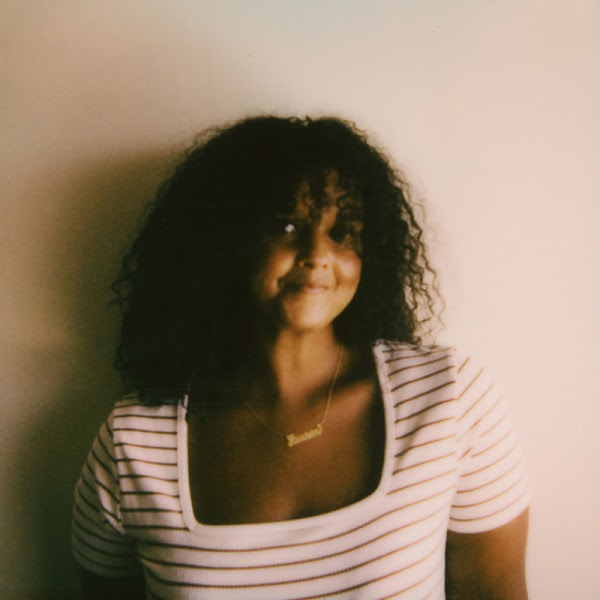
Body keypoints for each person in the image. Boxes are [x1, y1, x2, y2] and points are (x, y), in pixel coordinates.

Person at [71, 116, 530, 599]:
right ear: (227, 239)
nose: (317, 254)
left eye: (343, 231)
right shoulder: (134, 442)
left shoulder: (450, 399)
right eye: (286, 225)